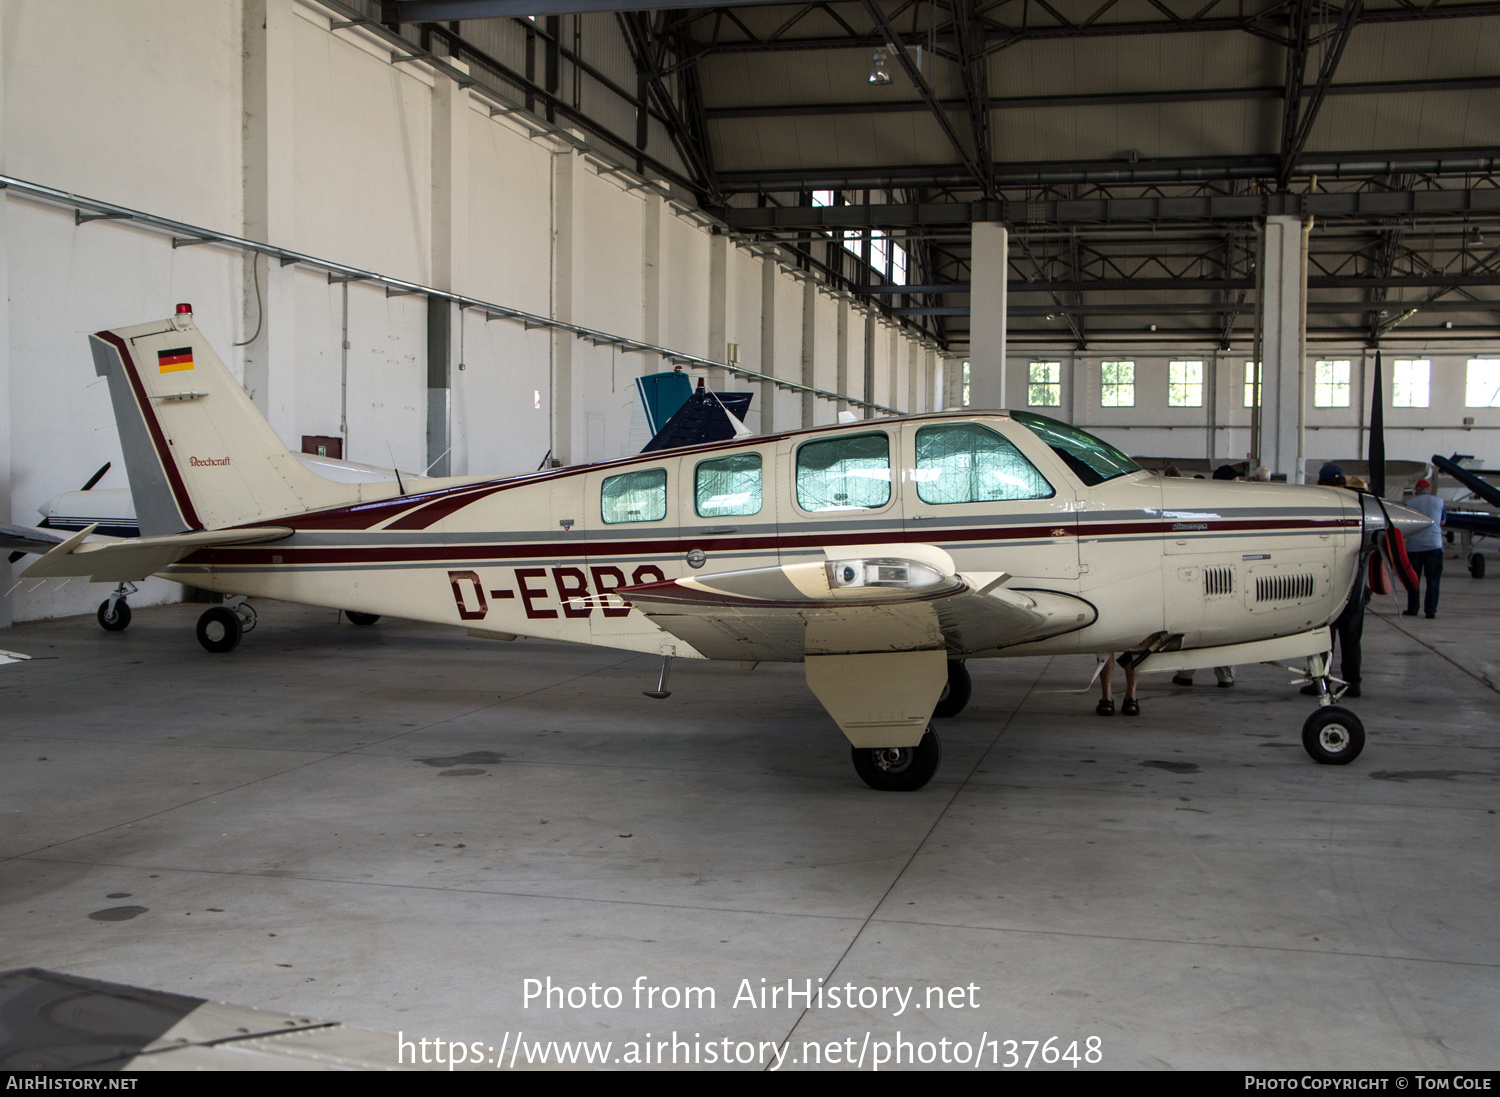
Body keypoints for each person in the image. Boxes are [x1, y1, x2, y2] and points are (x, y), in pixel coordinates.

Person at [1174, 464, 1240, 688]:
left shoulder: (1201, 503)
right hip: (1221, 572)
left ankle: (1187, 673)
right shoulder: (1234, 506)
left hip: (1210, 572)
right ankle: (1225, 675)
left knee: (1199, 625)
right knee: (1222, 625)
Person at [1302, 464, 1364, 697]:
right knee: (1352, 638)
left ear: (1321, 483)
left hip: (1327, 583)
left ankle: (1321, 680)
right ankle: (1353, 682)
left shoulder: (1319, 503)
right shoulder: (1356, 505)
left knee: (1322, 637)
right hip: (1355, 583)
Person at [1403, 478, 1447, 619]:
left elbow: (1405, 523)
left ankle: (1413, 608)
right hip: (1434, 545)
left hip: (1414, 546)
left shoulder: (1409, 503)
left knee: (1414, 579)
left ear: (1416, 490)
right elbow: (1443, 521)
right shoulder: (1439, 502)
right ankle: (1430, 610)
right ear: (1428, 489)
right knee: (1433, 580)